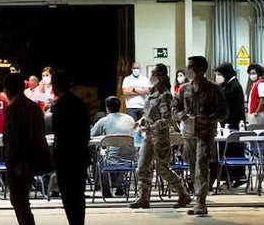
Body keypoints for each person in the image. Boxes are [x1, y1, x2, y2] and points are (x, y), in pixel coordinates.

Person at [2, 73, 51, 225]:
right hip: (35, 158)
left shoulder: (13, 109)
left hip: (19, 162)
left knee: (20, 203)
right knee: (24, 203)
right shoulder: (33, 107)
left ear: (7, 89)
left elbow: (12, 139)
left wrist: (11, 161)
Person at [130, 63, 191, 210]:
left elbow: (166, 119)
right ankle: (143, 198)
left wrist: (149, 126)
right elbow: (149, 114)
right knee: (142, 167)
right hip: (148, 136)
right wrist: (141, 121)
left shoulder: (165, 95)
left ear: (162, 76)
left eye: (155, 73)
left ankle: (183, 193)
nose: (152, 75)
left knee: (162, 168)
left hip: (160, 137)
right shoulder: (151, 93)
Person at [173, 55, 228, 216]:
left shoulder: (214, 88)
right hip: (189, 133)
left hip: (205, 133)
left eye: (191, 67)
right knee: (192, 166)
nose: (188, 69)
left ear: (201, 69)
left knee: (201, 166)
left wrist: (209, 118)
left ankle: (201, 202)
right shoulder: (184, 89)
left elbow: (224, 112)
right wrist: (180, 115)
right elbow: (175, 108)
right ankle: (197, 198)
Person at [50, 69, 91, 225]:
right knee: (78, 197)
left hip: (66, 156)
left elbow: (59, 134)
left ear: (56, 86)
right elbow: (86, 131)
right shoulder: (81, 104)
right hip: (81, 154)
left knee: (69, 199)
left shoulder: (59, 107)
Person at [90, 96, 137, 197]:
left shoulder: (104, 120)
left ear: (107, 108)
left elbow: (90, 135)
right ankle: (119, 187)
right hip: (131, 158)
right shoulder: (130, 119)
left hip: (112, 158)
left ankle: (106, 191)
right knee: (119, 150)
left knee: (102, 157)